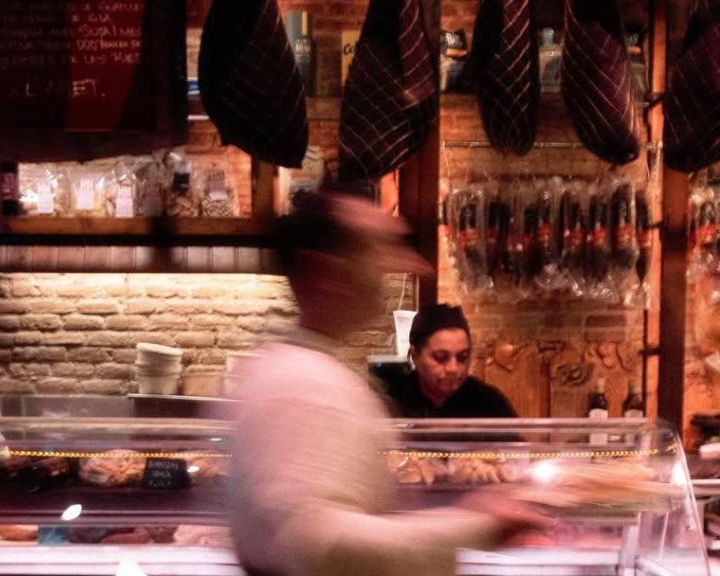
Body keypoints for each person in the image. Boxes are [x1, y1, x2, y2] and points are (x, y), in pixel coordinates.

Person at [229, 191, 547, 576]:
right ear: (325, 272)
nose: (402, 266)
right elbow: (322, 546)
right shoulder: (303, 386)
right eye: (375, 250)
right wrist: (479, 524)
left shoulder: (302, 371)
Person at [387, 304, 518, 418]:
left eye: (462, 357)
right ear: (415, 356)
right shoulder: (391, 402)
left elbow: (516, 445)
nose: (453, 368)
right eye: (440, 357)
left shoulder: (489, 401)